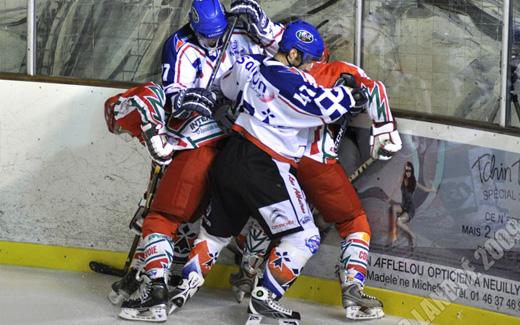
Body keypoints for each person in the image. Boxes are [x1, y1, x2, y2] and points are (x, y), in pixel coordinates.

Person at [167, 20, 368, 325]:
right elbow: (322, 108)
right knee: (305, 237)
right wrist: (349, 95)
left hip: (230, 156)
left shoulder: (249, 63)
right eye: (310, 59)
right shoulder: (291, 81)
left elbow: (226, 86)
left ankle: (183, 288)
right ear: (295, 56)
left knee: (215, 233)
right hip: (264, 165)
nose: (312, 66)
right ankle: (265, 299)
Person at [105, 0, 285, 322]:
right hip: (245, 148)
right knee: (237, 218)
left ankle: (156, 287)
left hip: (214, 145)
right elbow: (173, 91)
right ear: (193, 24)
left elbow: (291, 56)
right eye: (207, 36)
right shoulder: (178, 44)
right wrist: (186, 97)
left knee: (162, 215)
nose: (214, 42)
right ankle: (251, 278)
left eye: (218, 36)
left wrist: (263, 26)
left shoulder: (242, 30)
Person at [229, 57, 403, 320]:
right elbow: (374, 87)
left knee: (271, 217)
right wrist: (384, 129)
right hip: (316, 162)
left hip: (275, 157)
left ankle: (247, 275)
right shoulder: (337, 69)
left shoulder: (273, 70)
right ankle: (353, 290)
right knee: (353, 221)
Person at [388, 161, 436, 249]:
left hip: (410, 208)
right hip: (403, 206)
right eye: (406, 170)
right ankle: (394, 238)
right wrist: (389, 198)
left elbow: (424, 189)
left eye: (409, 170)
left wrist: (432, 189)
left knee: (399, 221)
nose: (408, 172)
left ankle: (413, 235)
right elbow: (395, 188)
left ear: (412, 171)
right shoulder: (402, 180)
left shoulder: (414, 182)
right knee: (393, 208)